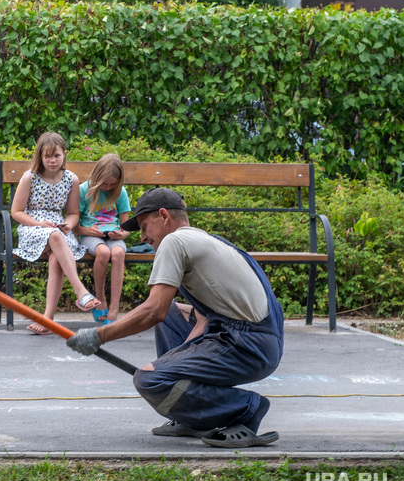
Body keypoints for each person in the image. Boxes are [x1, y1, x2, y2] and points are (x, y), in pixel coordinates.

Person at [66, 187, 284, 448]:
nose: (144, 237)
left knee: (149, 379)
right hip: (254, 338)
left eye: (146, 226)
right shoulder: (203, 240)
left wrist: (99, 336)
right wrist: (175, 367)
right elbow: (199, 317)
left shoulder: (174, 242)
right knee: (171, 315)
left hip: (247, 344)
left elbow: (153, 311)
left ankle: (246, 409)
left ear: (163, 216)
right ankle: (193, 417)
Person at [11, 132, 100, 334]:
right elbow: (16, 212)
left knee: (55, 257)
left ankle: (48, 319)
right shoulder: (30, 177)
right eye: (47, 156)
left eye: (57, 156)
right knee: (55, 237)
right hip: (32, 228)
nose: (52, 161)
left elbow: (72, 213)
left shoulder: (71, 179)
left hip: (58, 231)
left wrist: (68, 224)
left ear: (64, 155)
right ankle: (80, 291)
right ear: (40, 157)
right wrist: (40, 224)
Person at [73, 154, 131, 324]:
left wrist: (122, 234)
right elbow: (74, 227)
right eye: (104, 183)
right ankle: (100, 299)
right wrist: (88, 230)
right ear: (97, 177)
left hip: (113, 235)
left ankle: (114, 308)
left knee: (119, 252)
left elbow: (126, 226)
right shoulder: (84, 190)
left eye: (112, 184)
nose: (108, 187)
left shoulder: (120, 192)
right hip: (89, 236)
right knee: (103, 252)